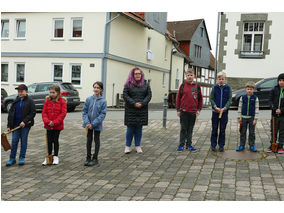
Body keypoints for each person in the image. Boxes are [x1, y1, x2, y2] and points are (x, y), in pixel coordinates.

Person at [123, 67, 152, 154]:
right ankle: (127, 146)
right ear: (133, 75)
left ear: (141, 74)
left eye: (139, 73)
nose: (137, 75)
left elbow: (149, 95)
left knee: (139, 128)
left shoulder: (146, 84)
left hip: (142, 110)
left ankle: (137, 146)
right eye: (136, 74)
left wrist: (142, 103)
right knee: (130, 128)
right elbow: (125, 95)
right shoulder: (128, 84)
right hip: (131, 109)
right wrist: (134, 103)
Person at [6, 84, 36, 166]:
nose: (20, 93)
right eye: (19, 91)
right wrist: (9, 126)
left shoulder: (30, 101)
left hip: (25, 125)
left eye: (21, 91)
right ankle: (12, 158)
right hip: (16, 125)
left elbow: (32, 113)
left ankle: (22, 157)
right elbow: (11, 114)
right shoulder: (16, 100)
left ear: (26, 92)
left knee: (23, 141)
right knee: (14, 141)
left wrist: (25, 121)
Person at [176, 69, 203, 152]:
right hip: (184, 111)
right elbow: (178, 98)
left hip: (193, 112)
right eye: (188, 75)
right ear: (186, 76)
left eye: (191, 75)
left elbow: (200, 99)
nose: (189, 77)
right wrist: (178, 109)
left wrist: (198, 109)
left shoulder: (197, 86)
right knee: (183, 128)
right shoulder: (183, 86)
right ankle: (181, 145)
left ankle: (189, 145)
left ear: (194, 76)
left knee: (190, 129)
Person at [82, 82, 107, 166]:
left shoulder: (103, 101)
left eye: (98, 88)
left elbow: (102, 114)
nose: (96, 89)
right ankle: (88, 157)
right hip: (88, 125)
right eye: (95, 87)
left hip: (97, 125)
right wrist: (87, 123)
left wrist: (94, 123)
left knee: (96, 140)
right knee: (89, 140)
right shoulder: (89, 99)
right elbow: (84, 112)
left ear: (101, 90)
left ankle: (95, 158)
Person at [42, 84, 67, 165]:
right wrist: (48, 121)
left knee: (55, 140)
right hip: (48, 125)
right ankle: (49, 157)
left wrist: (55, 122)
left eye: (53, 92)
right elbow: (44, 113)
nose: (51, 94)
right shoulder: (47, 101)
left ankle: (56, 156)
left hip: (57, 125)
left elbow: (63, 114)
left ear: (58, 92)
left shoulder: (62, 101)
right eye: (50, 92)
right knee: (49, 141)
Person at [209, 71, 232, 152]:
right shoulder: (214, 88)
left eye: (223, 79)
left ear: (225, 79)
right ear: (217, 80)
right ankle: (213, 145)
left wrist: (225, 108)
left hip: (224, 112)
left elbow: (230, 100)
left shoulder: (228, 88)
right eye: (219, 79)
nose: (221, 80)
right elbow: (211, 98)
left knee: (222, 129)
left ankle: (221, 145)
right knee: (214, 129)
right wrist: (215, 107)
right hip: (215, 112)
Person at [236, 81, 259, 152]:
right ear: (246, 89)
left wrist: (255, 119)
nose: (249, 90)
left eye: (251, 89)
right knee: (243, 132)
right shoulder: (242, 98)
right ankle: (242, 145)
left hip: (251, 118)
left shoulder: (255, 98)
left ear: (253, 90)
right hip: (243, 118)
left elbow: (257, 109)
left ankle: (251, 145)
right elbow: (239, 107)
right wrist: (239, 117)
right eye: (248, 89)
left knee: (252, 132)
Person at [266, 73, 284, 154]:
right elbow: (270, 101)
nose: (281, 82)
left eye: (283, 80)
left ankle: (280, 146)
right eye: (280, 80)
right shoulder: (274, 89)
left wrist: (281, 110)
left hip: (283, 115)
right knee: (273, 130)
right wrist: (274, 108)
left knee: (282, 131)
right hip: (274, 115)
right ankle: (272, 144)